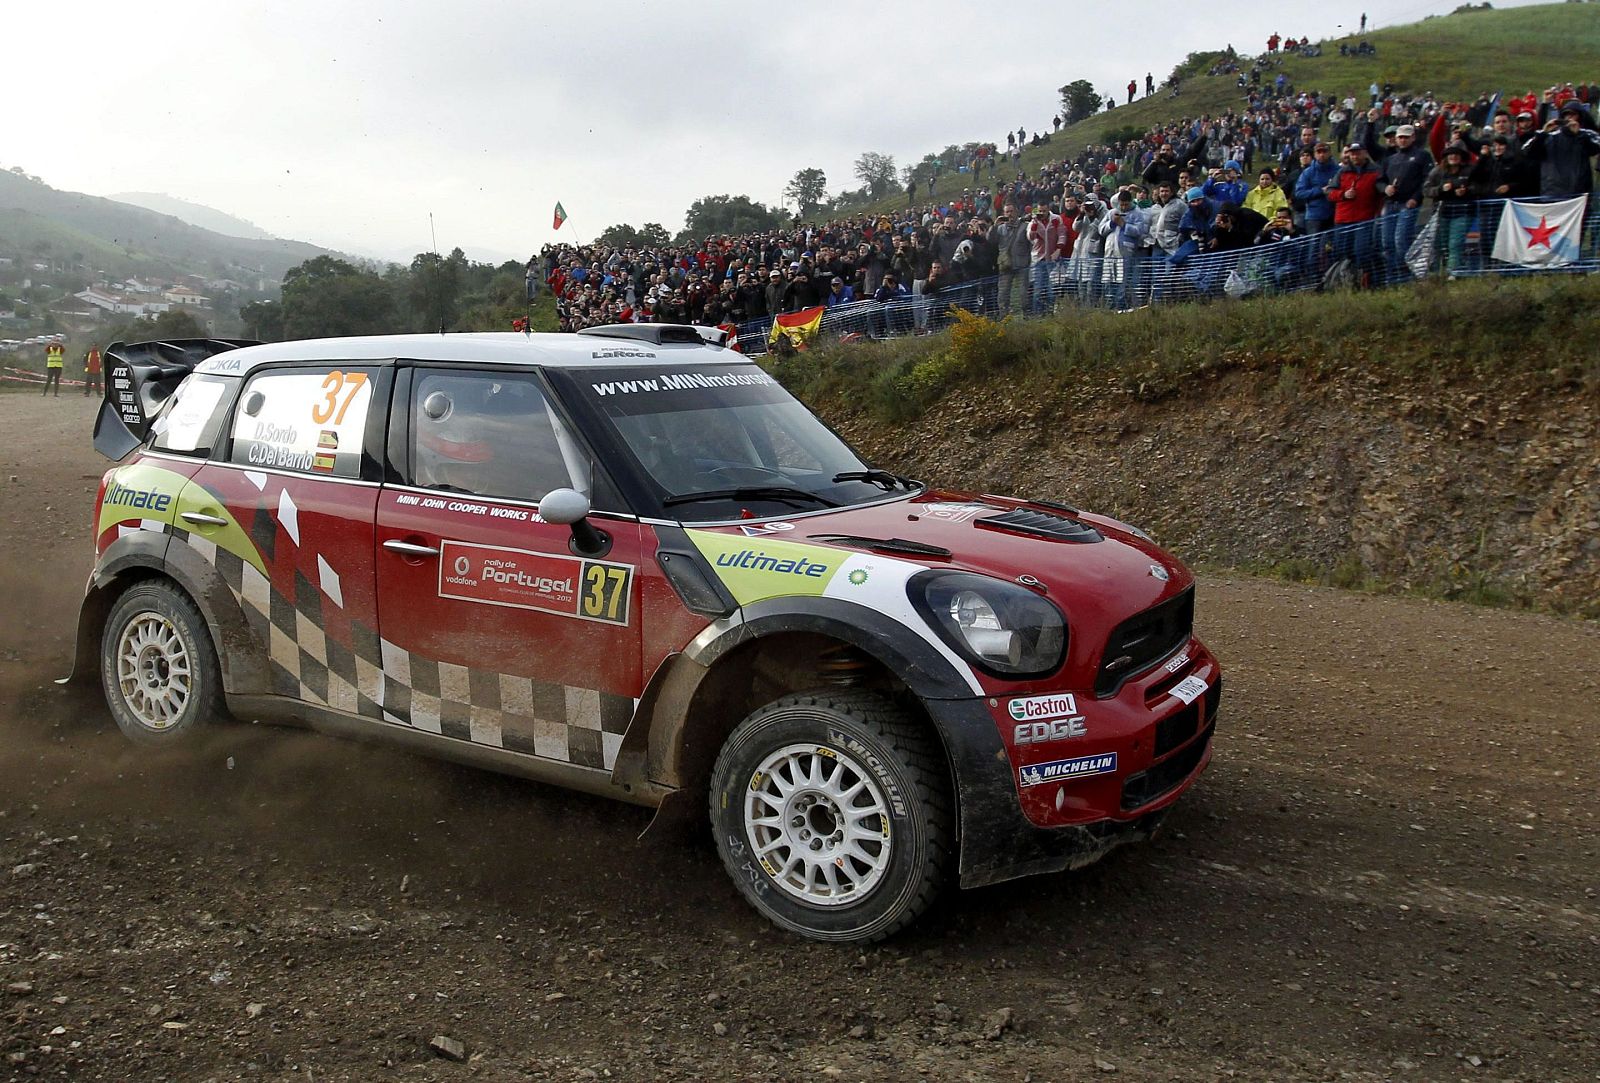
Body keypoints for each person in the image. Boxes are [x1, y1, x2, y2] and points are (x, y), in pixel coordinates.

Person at [1378, 124, 1433, 283]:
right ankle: (1391, 277)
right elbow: (1379, 181)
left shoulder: (1422, 156)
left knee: (1401, 241)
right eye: (1400, 137)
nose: (1402, 140)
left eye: (1406, 137)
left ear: (1413, 138)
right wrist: (1385, 188)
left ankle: (1405, 277)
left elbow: (1426, 180)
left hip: (1408, 204)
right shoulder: (1389, 159)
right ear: (1396, 139)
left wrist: (1416, 198)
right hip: (1390, 204)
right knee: (1387, 242)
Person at [1521, 102, 1600, 196]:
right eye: (1566, 115)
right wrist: (1543, 133)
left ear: (1580, 116)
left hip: (1579, 192)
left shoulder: (1587, 134)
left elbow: (1595, 148)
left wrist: (1579, 135)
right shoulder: (1550, 135)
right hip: (1551, 192)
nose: (1569, 118)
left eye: (1572, 115)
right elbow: (1526, 150)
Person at [1423, 143, 1476, 274]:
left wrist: (1466, 191)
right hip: (1441, 213)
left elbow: (1479, 187)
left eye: (1457, 154)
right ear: (1445, 157)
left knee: (1455, 243)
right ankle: (1439, 272)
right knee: (1441, 244)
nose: (1453, 157)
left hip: (1463, 212)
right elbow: (1426, 190)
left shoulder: (1470, 170)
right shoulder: (1437, 172)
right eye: (1450, 154)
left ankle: (1453, 272)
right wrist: (1440, 189)